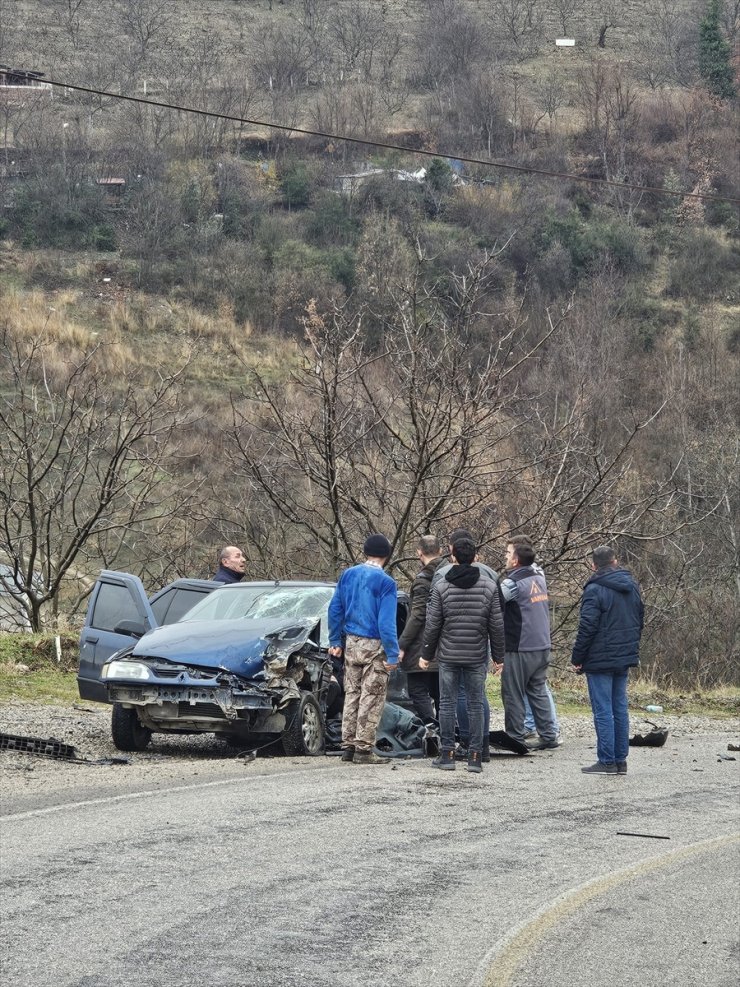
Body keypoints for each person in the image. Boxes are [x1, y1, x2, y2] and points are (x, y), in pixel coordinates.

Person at [422, 537, 504, 773]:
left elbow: (433, 624)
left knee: (446, 704)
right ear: (475, 557)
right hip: (477, 655)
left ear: (453, 557)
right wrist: (499, 657)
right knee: (475, 703)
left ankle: (447, 754)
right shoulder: (488, 587)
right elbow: (496, 625)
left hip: (448, 654)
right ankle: (475, 757)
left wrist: (426, 653)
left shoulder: (441, 586)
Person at [571, 545, 644, 775]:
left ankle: (606, 760)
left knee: (603, 709)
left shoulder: (594, 589)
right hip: (624, 654)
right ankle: (620, 760)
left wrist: (578, 657)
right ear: (615, 561)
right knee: (620, 707)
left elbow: (587, 626)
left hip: (600, 658)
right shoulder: (632, 586)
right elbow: (639, 617)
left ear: (594, 566)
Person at [328, 534, 400, 766]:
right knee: (373, 695)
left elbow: (335, 609)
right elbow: (386, 623)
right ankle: (363, 749)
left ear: (365, 552)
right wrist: (392, 652)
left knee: (352, 692)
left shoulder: (348, 575)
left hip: (351, 642)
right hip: (374, 644)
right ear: (387, 555)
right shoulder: (386, 583)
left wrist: (335, 640)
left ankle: (347, 745)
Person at [499, 535, 559, 750]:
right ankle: (549, 735)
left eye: (507, 554)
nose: (505, 557)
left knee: (513, 693)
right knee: (538, 690)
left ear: (515, 560)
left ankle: (515, 737)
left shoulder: (512, 583)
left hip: (519, 647)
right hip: (542, 645)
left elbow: (493, 604)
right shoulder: (539, 576)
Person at [397, 534, 445, 723]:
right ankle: (447, 732)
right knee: (441, 693)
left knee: (417, 690)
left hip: (422, 645)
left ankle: (432, 728)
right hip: (445, 644)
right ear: (440, 551)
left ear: (419, 552)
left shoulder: (423, 580)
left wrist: (402, 644)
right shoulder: (448, 573)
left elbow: (418, 615)